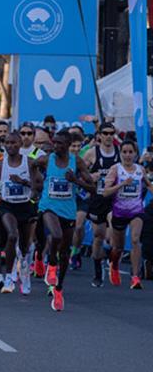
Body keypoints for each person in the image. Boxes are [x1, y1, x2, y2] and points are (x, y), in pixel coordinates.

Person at [35, 131, 95, 311]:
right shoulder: (47, 159)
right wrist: (34, 185)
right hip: (48, 206)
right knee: (55, 235)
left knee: (66, 253)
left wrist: (76, 180)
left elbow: (93, 188)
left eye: (61, 144)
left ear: (69, 145)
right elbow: (31, 166)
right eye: (55, 143)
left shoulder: (76, 161)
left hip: (68, 211)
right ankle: (51, 265)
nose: (56, 146)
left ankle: (59, 288)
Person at [0, 132, 41, 295]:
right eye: (7, 143)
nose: (10, 146)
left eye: (14, 143)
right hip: (7, 205)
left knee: (24, 246)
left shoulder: (29, 163)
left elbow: (38, 186)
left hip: (25, 206)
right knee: (12, 235)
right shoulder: (0, 164)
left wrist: (22, 182)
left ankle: (24, 273)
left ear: (20, 144)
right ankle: (8, 277)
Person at [100, 140, 146, 288]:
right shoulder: (115, 169)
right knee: (118, 247)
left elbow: (148, 184)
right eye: (124, 152)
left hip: (136, 211)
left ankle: (135, 276)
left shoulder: (140, 169)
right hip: (119, 212)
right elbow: (105, 192)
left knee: (135, 240)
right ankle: (114, 265)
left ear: (135, 153)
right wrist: (121, 184)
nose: (127, 155)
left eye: (130, 152)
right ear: (120, 153)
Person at [82, 123, 121, 287]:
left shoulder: (120, 153)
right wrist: (91, 176)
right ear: (99, 135)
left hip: (115, 199)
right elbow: (80, 173)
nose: (108, 136)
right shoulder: (92, 153)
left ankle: (113, 262)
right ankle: (98, 271)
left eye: (111, 133)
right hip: (97, 199)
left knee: (112, 237)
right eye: (105, 133)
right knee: (98, 236)